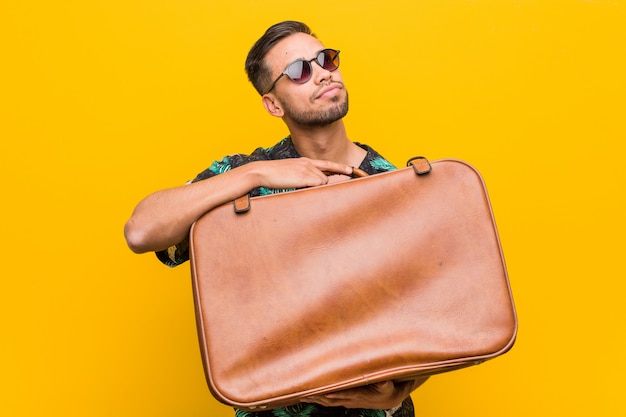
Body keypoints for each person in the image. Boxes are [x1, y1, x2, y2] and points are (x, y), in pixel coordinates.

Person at [124, 20, 428, 417]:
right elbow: (141, 231)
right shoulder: (245, 177)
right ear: (273, 104)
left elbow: (428, 299)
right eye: (299, 71)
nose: (321, 73)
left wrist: (399, 391)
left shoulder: (392, 181)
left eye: (326, 59)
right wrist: (255, 175)